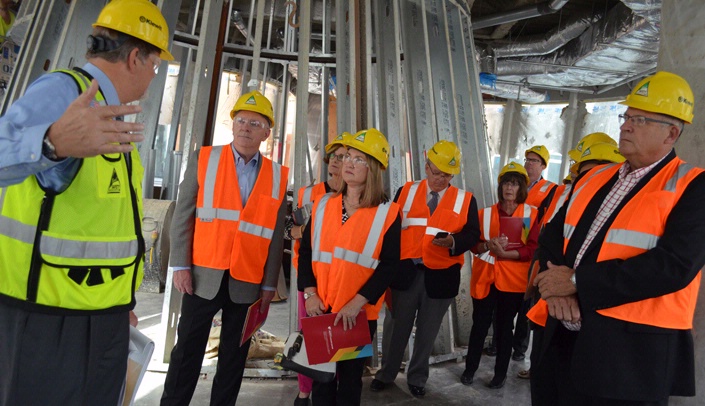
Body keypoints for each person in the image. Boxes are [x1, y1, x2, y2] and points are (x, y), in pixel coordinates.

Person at [0, 1, 173, 404]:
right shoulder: (62, 91)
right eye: (155, 65)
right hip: (47, 321)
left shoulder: (107, 113)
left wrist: (121, 304)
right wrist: (50, 143)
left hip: (101, 317)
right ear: (135, 57)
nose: (153, 75)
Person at [532, 71, 705, 405]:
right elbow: (552, 235)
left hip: (629, 362)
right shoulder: (595, 175)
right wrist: (556, 290)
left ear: (671, 133)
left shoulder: (693, 187)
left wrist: (577, 281)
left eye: (639, 119)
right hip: (558, 341)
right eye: (626, 116)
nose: (625, 126)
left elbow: (674, 266)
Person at [161, 90, 288, 406]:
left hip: (248, 282)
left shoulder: (276, 175)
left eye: (254, 123)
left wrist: (270, 284)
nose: (246, 127)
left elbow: (273, 236)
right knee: (186, 353)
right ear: (232, 126)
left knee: (234, 360)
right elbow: (183, 214)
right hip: (201, 276)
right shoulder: (204, 159)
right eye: (241, 120)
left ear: (266, 132)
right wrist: (180, 265)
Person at [298, 128, 401, 406]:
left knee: (349, 383)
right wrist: (310, 294)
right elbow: (306, 251)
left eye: (359, 160)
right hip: (321, 308)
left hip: (356, 315)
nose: (349, 164)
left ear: (375, 170)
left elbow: (388, 266)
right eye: (348, 157)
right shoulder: (322, 204)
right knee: (322, 381)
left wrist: (357, 302)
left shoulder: (387, 213)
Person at [369, 140, 480, 398]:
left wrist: (454, 242)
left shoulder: (465, 200)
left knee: (428, 332)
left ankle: (418, 377)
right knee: (396, 327)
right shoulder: (405, 191)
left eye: (447, 175)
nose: (440, 179)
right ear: (426, 166)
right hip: (406, 274)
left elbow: (472, 234)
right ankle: (386, 374)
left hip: (441, 277)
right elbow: (390, 230)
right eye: (436, 172)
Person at [286, 132, 351, 406]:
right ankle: (304, 392)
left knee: (339, 342)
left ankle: (333, 387)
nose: (337, 163)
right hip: (311, 280)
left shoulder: (359, 197)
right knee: (310, 339)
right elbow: (290, 230)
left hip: (344, 283)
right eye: (334, 157)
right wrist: (306, 230)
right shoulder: (309, 193)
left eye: (345, 157)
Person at [461, 162, 539, 389]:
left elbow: (532, 249)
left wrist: (509, 253)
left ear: (522, 188)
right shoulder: (484, 214)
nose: (509, 188)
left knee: (506, 328)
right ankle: (469, 370)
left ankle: (500, 374)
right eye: (506, 182)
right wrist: (486, 245)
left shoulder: (530, 215)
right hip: (486, 279)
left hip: (512, 283)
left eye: (515, 184)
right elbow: (473, 244)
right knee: (480, 325)